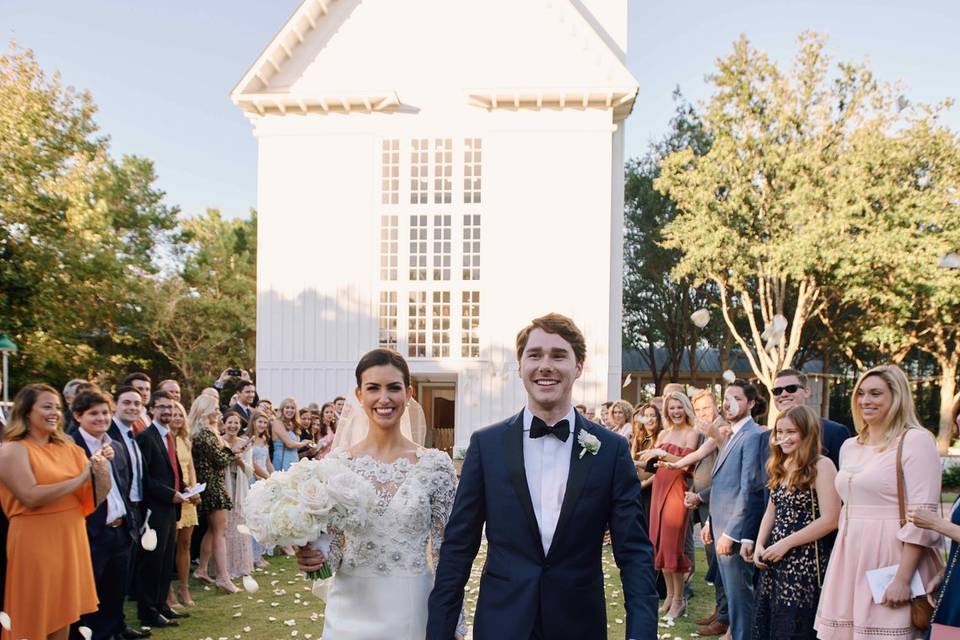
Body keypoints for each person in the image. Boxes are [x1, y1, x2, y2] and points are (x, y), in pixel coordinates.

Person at [426, 313, 658, 640]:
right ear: (520, 366)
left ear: (579, 366)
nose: (545, 365)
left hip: (579, 626)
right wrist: (438, 630)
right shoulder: (486, 445)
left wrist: (642, 634)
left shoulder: (611, 451)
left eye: (559, 355)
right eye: (534, 355)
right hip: (501, 625)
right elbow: (458, 548)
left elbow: (634, 553)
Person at [295, 348, 463, 639]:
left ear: (408, 393)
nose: (384, 398)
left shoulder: (436, 466)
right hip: (350, 607)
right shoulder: (337, 466)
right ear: (359, 395)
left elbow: (445, 552)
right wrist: (312, 556)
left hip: (411, 606)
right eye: (373, 388)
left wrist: (455, 622)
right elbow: (333, 549)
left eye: (394, 387)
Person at [814, 365, 945, 640]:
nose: (865, 400)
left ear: (896, 396)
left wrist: (902, 579)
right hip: (849, 553)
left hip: (891, 557)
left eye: (875, 393)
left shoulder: (916, 441)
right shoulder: (850, 445)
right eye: (861, 393)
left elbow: (922, 516)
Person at [0, 384, 106, 640]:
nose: (54, 413)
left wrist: (103, 471)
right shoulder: (12, 449)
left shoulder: (68, 447)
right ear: (26, 412)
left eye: (57, 407)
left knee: (64, 610)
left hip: (71, 535)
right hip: (34, 537)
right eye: (47, 406)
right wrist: (81, 477)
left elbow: (94, 498)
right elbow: (30, 495)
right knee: (33, 609)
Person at [752, 405, 840, 640]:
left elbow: (831, 519)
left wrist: (786, 544)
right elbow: (771, 511)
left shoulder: (822, 465)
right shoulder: (780, 464)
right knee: (771, 622)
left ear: (807, 431)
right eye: (779, 432)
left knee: (794, 627)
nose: (783, 438)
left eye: (791, 432)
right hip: (774, 559)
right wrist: (760, 544)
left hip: (804, 562)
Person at [690, 380, 767, 640]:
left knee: (742, 603)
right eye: (726, 397)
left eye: (736, 398)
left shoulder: (753, 435)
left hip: (733, 534)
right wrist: (711, 523)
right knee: (735, 604)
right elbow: (723, 484)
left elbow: (748, 489)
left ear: (752, 403)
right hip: (719, 526)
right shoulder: (731, 434)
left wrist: (732, 533)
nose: (728, 403)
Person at [71, 389, 139, 640]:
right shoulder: (71, 446)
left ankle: (114, 631)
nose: (101, 418)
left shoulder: (117, 446)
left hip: (120, 528)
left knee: (115, 588)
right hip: (92, 531)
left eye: (105, 413)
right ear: (78, 416)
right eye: (93, 413)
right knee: (90, 593)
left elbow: (124, 484)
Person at [639, 390, 700, 620]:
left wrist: (662, 452)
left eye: (679, 407)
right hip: (659, 489)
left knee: (673, 547)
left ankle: (679, 600)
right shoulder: (664, 432)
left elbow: (687, 465)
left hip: (677, 491)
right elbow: (657, 466)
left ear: (685, 408)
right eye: (672, 407)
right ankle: (669, 598)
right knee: (660, 546)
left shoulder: (691, 434)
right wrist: (640, 462)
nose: (676, 411)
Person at [135, 391, 190, 628]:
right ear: (152, 409)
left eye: (171, 407)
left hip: (170, 508)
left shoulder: (170, 435)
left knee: (166, 560)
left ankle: (162, 605)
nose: (167, 411)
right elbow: (144, 478)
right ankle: (148, 611)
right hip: (155, 508)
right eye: (162, 407)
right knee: (153, 562)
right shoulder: (147, 438)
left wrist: (187, 489)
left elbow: (173, 470)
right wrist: (170, 494)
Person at [106, 386, 151, 640]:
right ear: (116, 404)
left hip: (134, 509)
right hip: (116, 513)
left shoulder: (132, 435)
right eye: (127, 403)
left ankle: (118, 625)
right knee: (111, 577)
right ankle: (108, 629)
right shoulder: (109, 434)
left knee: (123, 574)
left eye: (136, 403)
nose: (133, 407)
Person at [688, 389, 730, 637]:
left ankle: (724, 617)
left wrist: (701, 495)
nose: (703, 413)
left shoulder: (721, 429)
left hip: (717, 504)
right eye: (699, 410)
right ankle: (719, 608)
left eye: (706, 407)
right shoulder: (706, 431)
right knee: (712, 561)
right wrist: (694, 491)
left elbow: (724, 475)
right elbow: (701, 466)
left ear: (716, 405)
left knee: (720, 562)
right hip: (703, 504)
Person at [189, 395, 241, 593]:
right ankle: (223, 577)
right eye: (215, 408)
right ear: (205, 410)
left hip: (210, 484)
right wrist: (234, 452)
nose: (218, 412)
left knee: (213, 530)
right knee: (221, 531)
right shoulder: (205, 433)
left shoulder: (207, 432)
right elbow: (220, 460)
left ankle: (202, 569)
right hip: (212, 486)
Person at [772, 368, 852, 470]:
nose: (783, 394)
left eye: (791, 388)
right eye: (777, 391)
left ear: (806, 392)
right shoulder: (765, 438)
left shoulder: (834, 432)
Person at [168, 400, 200, 609]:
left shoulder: (184, 440)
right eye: (173, 414)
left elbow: (191, 467)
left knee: (185, 545)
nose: (177, 418)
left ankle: (184, 588)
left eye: (180, 414)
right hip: (172, 497)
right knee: (168, 548)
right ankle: (168, 591)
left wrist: (195, 489)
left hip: (189, 497)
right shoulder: (164, 440)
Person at [222, 411, 254, 579]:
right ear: (224, 423)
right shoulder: (219, 441)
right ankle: (224, 567)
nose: (233, 426)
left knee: (239, 526)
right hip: (224, 487)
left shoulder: (245, 444)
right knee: (225, 527)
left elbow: (249, 471)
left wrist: (240, 459)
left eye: (236, 423)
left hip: (240, 488)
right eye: (229, 422)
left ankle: (240, 565)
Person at [247, 409, 274, 568]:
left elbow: (267, 461)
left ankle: (260, 553)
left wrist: (275, 475)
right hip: (254, 479)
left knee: (263, 518)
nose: (263, 425)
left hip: (265, 479)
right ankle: (253, 556)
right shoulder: (248, 439)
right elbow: (252, 463)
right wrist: (266, 476)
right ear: (253, 422)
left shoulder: (264, 440)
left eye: (265, 422)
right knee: (254, 517)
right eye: (260, 422)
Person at [631, 403, 663, 523]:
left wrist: (644, 484)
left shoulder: (661, 436)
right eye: (646, 416)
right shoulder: (639, 438)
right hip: (640, 487)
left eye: (653, 415)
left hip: (653, 487)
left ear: (658, 418)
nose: (649, 419)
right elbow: (632, 461)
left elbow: (659, 468)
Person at [271, 397, 312, 470]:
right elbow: (290, 444)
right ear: (282, 409)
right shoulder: (277, 422)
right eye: (287, 407)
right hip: (282, 460)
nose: (290, 410)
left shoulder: (292, 424)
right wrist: (304, 443)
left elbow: (295, 445)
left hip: (294, 459)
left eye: (292, 408)